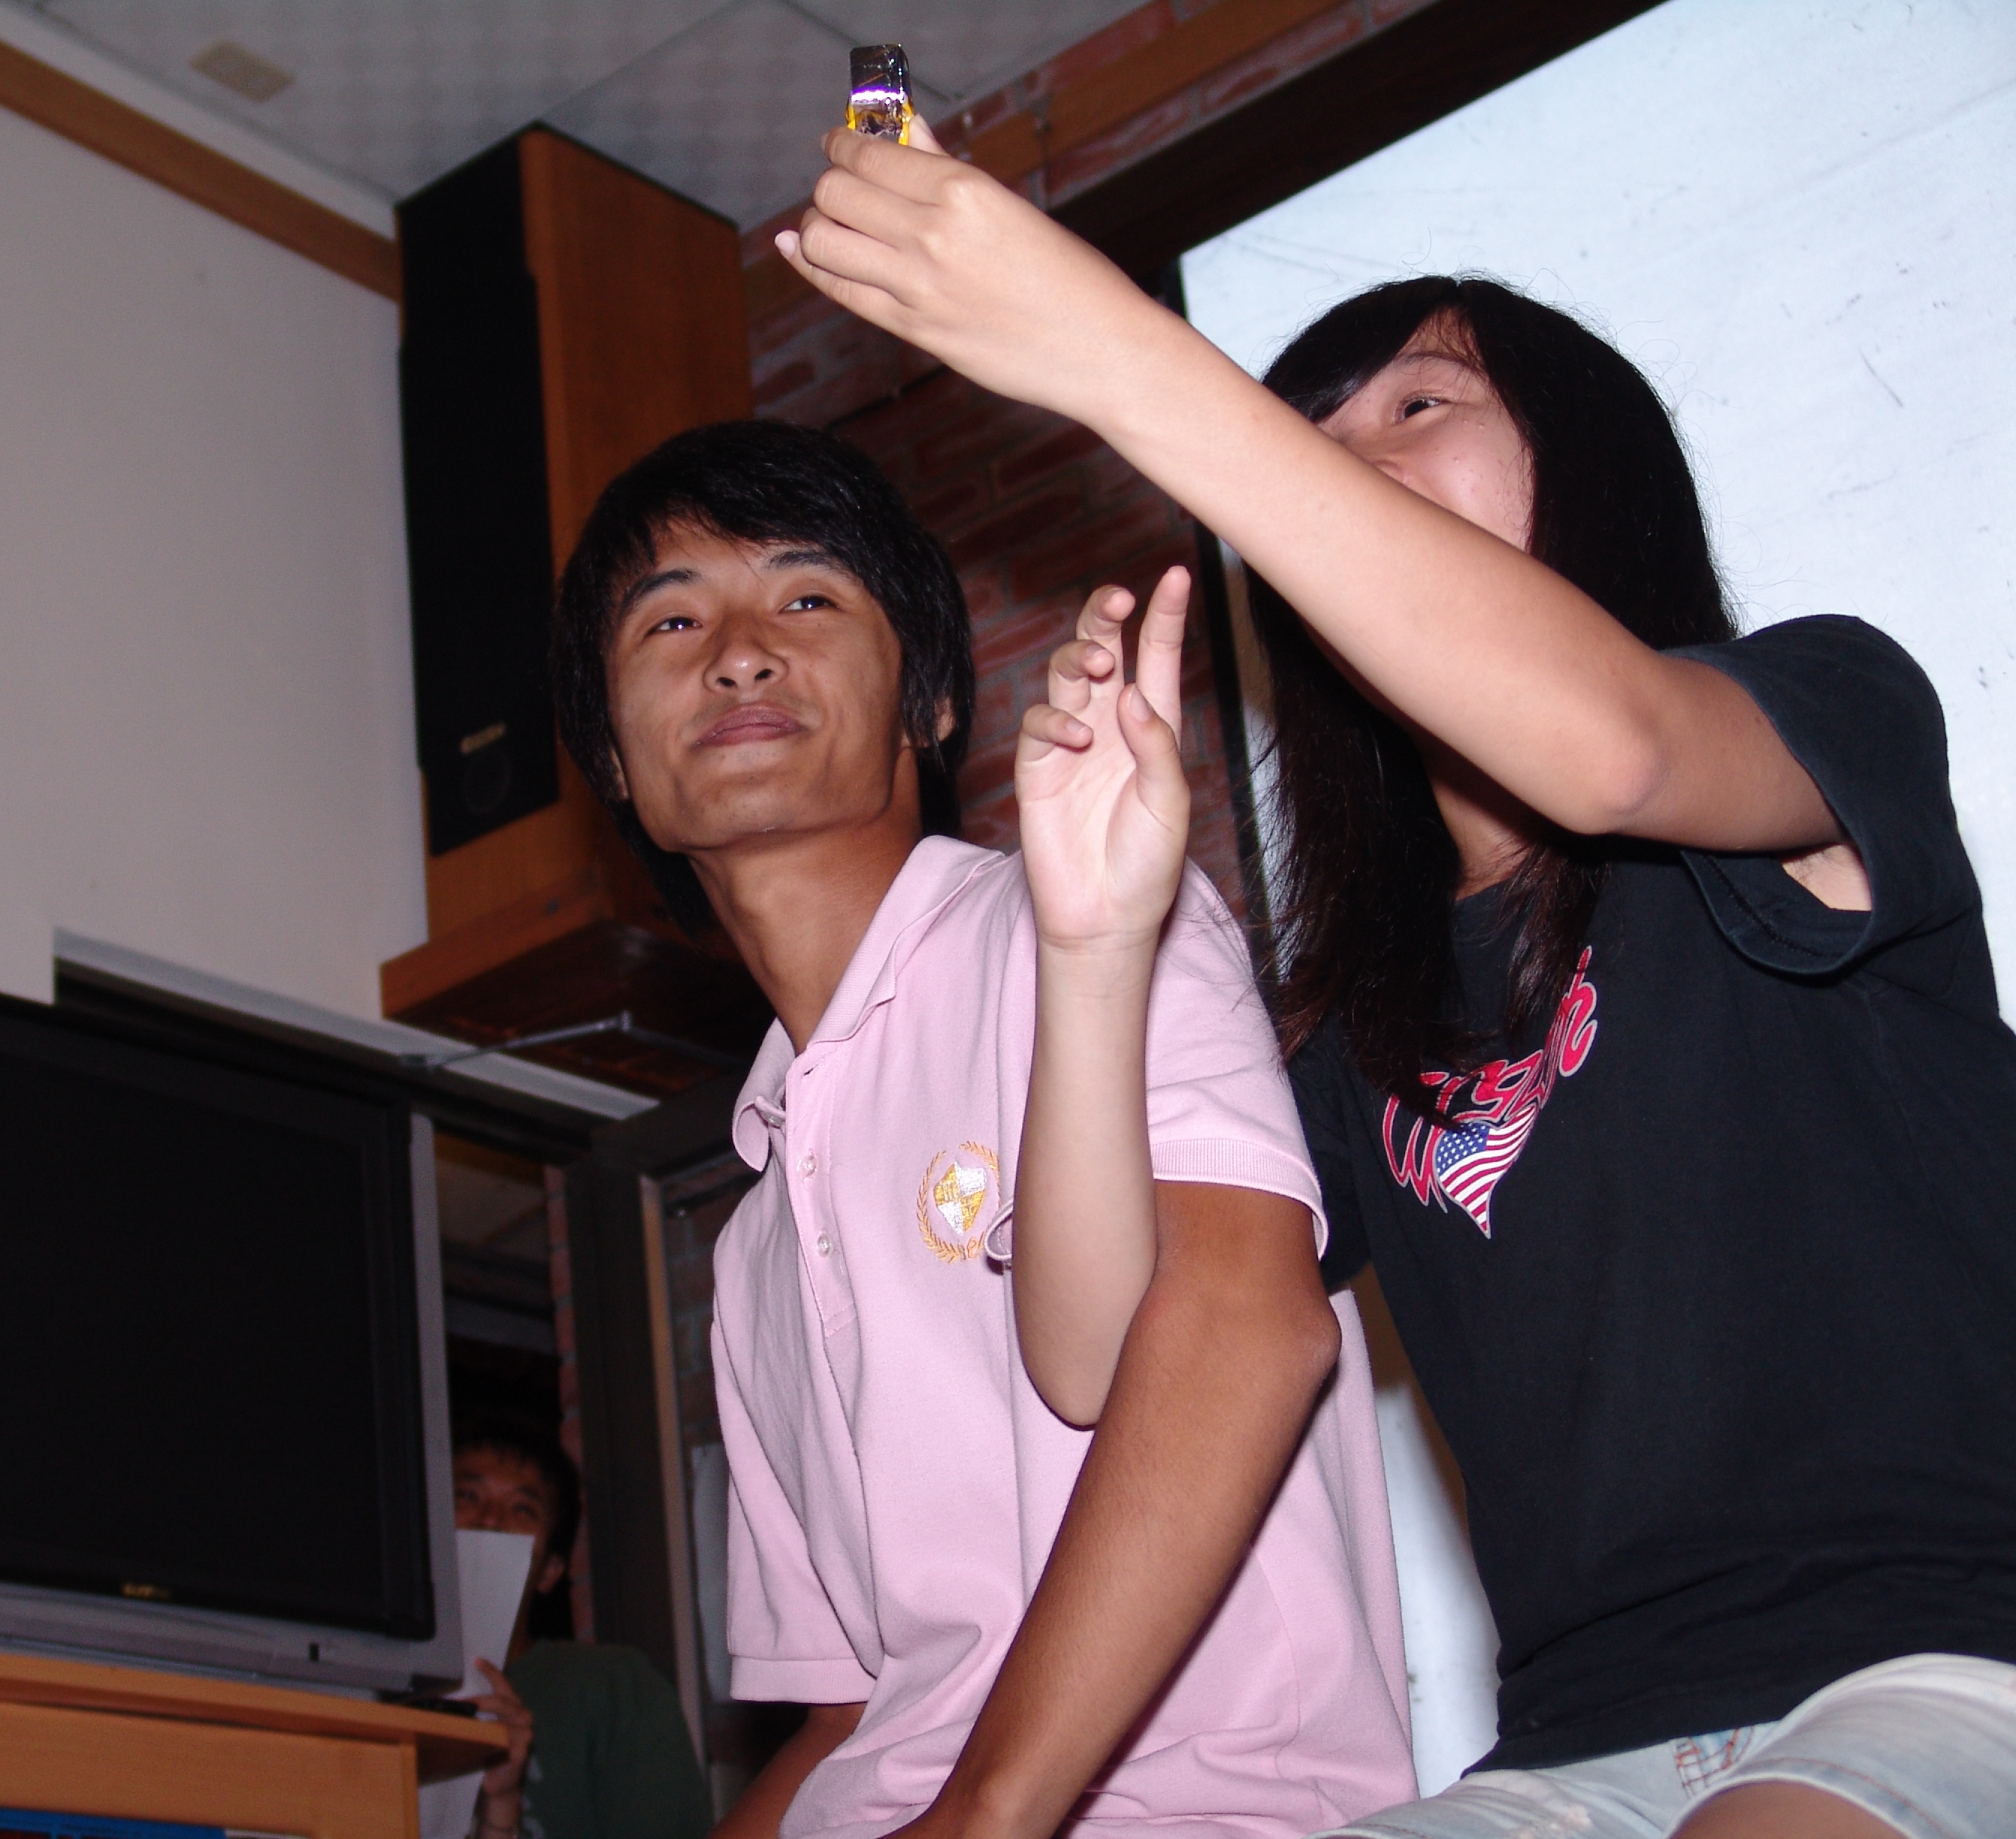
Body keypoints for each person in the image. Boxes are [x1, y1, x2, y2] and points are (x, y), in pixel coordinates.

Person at [772, 117, 2016, 1839]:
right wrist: (1093, 947)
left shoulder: (1821, 712)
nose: (1352, 465)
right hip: (1567, 1755)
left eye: (1420, 406)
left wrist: (1112, 358)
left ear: (1588, 465)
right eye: (1317, 447)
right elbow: (1099, 1353)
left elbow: (1614, 751)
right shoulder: (1369, 1019)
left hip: (1935, 1671)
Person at [547, 418, 1414, 1839]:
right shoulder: (753, 1240)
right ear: (616, 762)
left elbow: (1245, 1328)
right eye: (672, 620)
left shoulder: (1079, 927)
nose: (740, 653)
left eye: (806, 597)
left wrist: (983, 1814)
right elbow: (855, 1720)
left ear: (931, 700)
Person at [450, 1418, 710, 1839]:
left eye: (522, 1509)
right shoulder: (367, 1681)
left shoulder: (611, 1687)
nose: (491, 1520)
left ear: (551, 1570)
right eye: (467, 1496)